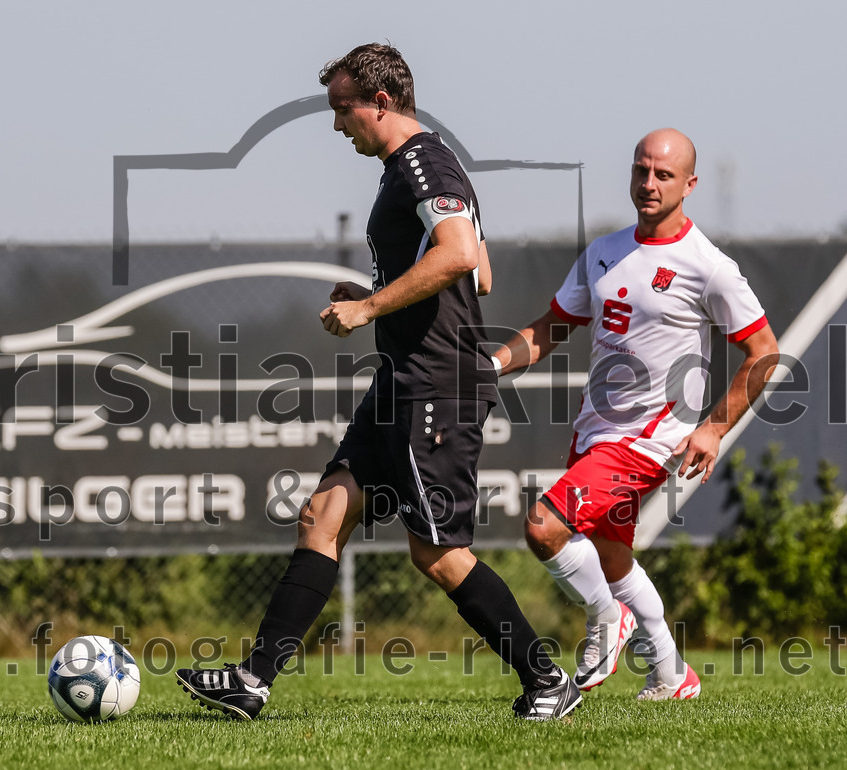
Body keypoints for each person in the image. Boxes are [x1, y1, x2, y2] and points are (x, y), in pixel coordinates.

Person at [176, 42, 581, 722]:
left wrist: (368, 306)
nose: (339, 126)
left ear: (381, 102)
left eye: (343, 110)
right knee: (323, 514)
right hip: (402, 380)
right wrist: (379, 289)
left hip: (436, 385)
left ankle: (547, 680)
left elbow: (458, 255)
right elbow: (480, 269)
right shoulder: (413, 168)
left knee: (438, 554)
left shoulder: (423, 162)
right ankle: (253, 681)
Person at [491, 128, 780, 700]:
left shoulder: (708, 266)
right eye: (641, 170)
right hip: (595, 429)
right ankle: (672, 674)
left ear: (689, 185)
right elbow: (549, 329)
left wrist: (714, 427)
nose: (649, 183)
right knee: (609, 552)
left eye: (664, 174)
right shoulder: (603, 250)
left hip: (650, 439)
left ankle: (608, 618)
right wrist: (493, 363)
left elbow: (765, 351)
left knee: (544, 527)